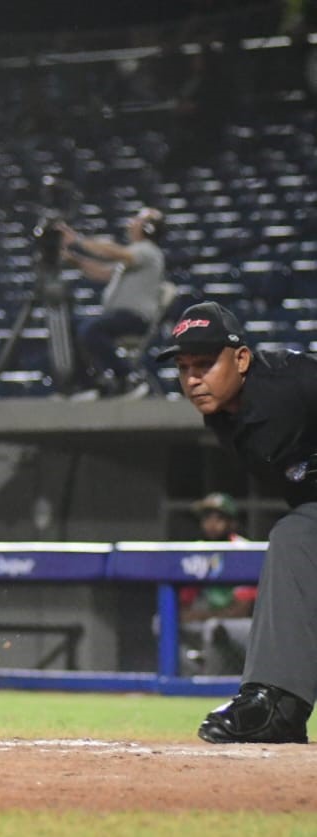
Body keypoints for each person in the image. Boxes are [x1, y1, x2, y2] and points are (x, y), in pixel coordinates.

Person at [161, 301, 314, 743]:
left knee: (296, 534)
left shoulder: (294, 381)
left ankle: (277, 705)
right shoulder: (221, 414)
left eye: (206, 363)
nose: (193, 377)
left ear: (242, 358)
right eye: (184, 366)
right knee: (298, 533)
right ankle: (278, 705)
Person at [59, 207, 168, 398]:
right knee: (74, 326)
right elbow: (102, 273)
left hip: (134, 318)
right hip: (119, 316)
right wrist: (76, 261)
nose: (131, 222)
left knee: (91, 329)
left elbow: (113, 253)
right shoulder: (134, 255)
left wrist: (77, 240)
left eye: (138, 219)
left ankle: (127, 377)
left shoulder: (147, 250)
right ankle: (89, 384)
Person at [179, 492, 257, 676]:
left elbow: (242, 610)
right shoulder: (198, 550)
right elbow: (183, 603)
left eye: (219, 518)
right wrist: (187, 615)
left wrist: (199, 615)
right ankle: (192, 675)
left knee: (213, 627)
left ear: (232, 523)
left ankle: (209, 685)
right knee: (162, 623)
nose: (212, 524)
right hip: (211, 621)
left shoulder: (243, 551)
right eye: (207, 518)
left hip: (249, 627)